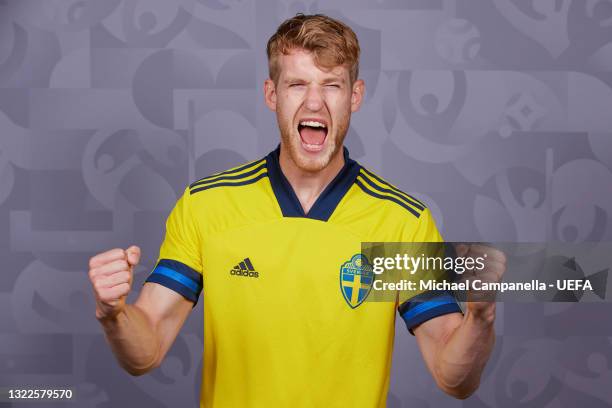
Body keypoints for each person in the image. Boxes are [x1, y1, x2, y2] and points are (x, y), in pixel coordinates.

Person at [87, 13, 506, 407]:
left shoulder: (400, 222)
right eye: (297, 85)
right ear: (272, 94)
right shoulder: (208, 205)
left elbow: (455, 378)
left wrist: (481, 319)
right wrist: (114, 315)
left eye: (332, 85)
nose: (314, 103)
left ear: (354, 97)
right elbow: (147, 350)